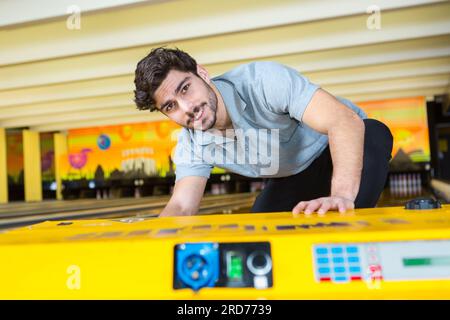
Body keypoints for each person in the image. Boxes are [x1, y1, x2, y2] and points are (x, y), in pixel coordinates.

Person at [133, 47, 393, 217]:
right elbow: (181, 206)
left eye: (185, 88)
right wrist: (152, 237)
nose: (187, 108)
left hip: (344, 145)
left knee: (374, 135)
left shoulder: (262, 82)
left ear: (202, 73)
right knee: (261, 223)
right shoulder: (192, 144)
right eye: (170, 106)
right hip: (294, 175)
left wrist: (341, 196)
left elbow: (343, 122)